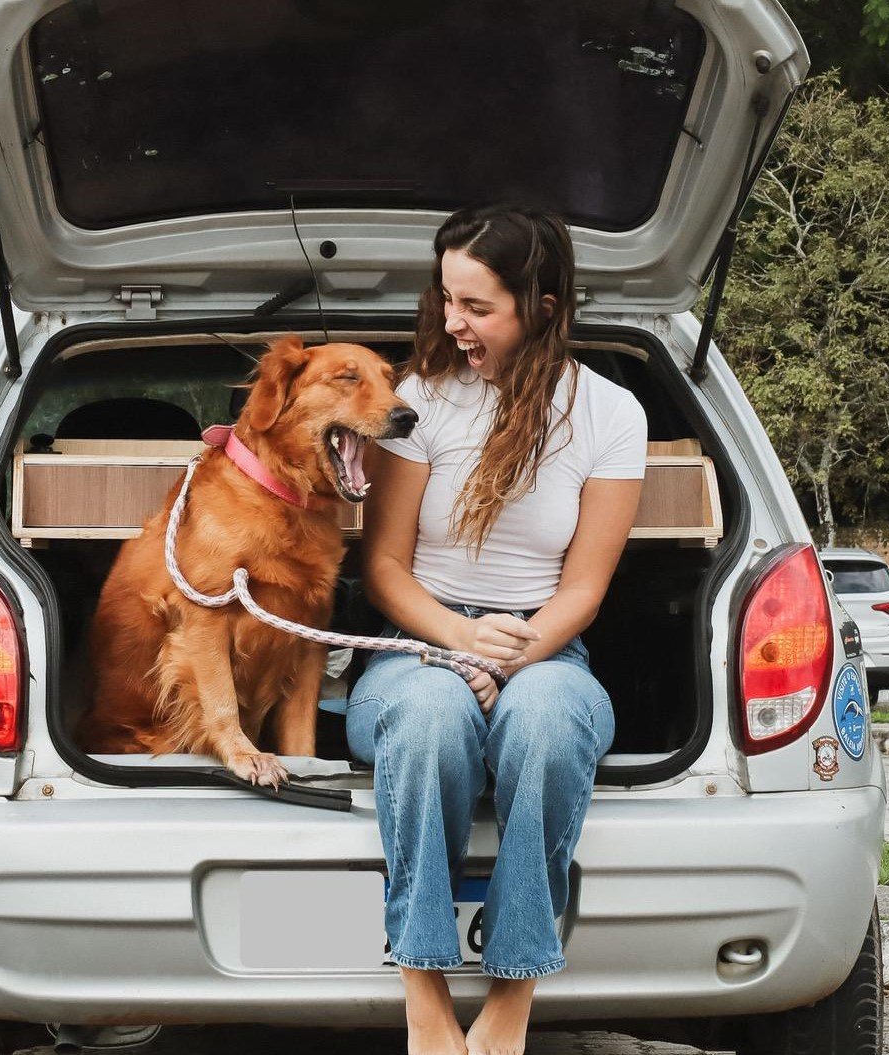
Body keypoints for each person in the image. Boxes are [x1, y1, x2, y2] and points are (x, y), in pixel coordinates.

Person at [348, 203, 647, 1055]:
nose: (451, 322)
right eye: (446, 299)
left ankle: (512, 994)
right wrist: (456, 642)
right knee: (433, 717)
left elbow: (584, 588)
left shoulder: (609, 414)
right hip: (419, 641)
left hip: (545, 643)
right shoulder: (419, 401)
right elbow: (383, 571)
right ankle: (424, 991)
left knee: (552, 720)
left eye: (476, 307)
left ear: (541, 307)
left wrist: (512, 654)